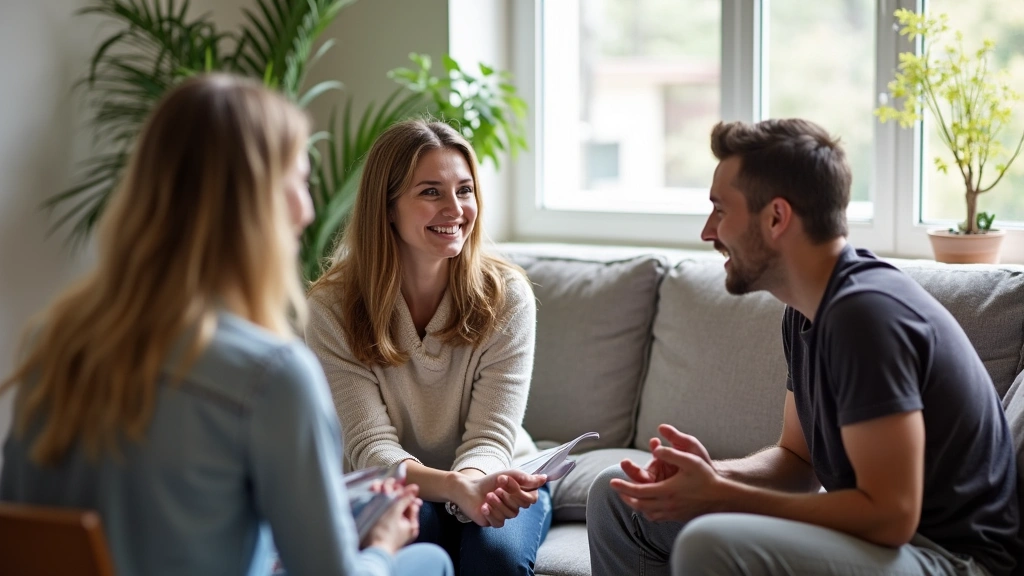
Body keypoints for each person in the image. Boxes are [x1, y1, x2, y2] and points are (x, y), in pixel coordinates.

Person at [0, 74, 453, 576]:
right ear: (252, 205)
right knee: (427, 560)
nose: (306, 210)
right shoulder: (272, 375)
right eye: (297, 182)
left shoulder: (54, 344)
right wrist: (383, 546)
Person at [587, 118, 1022, 576]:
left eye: (720, 210)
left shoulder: (867, 317)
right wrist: (713, 475)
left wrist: (722, 495)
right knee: (618, 497)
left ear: (776, 217)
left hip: (951, 560)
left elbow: (892, 516)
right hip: (883, 545)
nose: (708, 232)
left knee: (709, 543)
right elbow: (798, 461)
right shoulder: (806, 310)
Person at [305, 119, 552, 576]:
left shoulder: (507, 296)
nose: (455, 209)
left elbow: (490, 438)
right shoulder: (332, 307)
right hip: (392, 483)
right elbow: (369, 445)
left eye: (464, 190)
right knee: (418, 541)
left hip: (494, 473)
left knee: (494, 559)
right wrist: (453, 488)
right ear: (387, 207)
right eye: (431, 192)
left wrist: (471, 487)